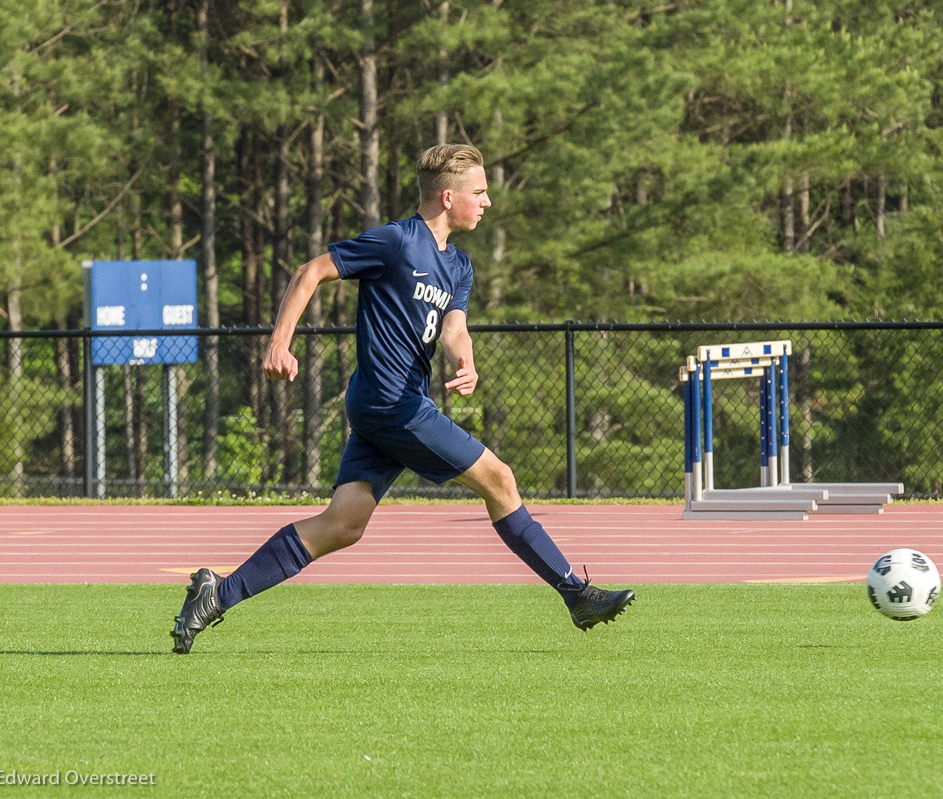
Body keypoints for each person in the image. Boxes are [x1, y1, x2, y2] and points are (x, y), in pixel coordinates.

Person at [171, 144, 635, 654]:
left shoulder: (458, 265)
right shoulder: (397, 241)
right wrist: (280, 341)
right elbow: (311, 272)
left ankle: (218, 594)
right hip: (394, 405)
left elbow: (455, 325)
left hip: (386, 407)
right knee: (500, 479)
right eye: (478, 193)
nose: (486, 203)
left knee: (342, 525)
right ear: (446, 196)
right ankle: (576, 594)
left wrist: (465, 358)